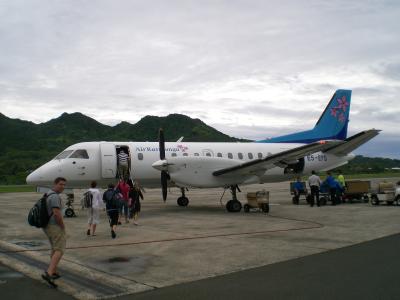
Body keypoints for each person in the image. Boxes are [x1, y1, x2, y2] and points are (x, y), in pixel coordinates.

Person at [41, 177, 67, 286]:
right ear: (55, 184)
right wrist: (62, 226)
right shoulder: (55, 196)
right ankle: (49, 272)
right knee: (59, 249)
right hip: (54, 226)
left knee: (54, 248)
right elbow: (57, 214)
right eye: (60, 184)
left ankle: (54, 271)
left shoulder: (48, 194)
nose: (63, 187)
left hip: (47, 225)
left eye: (64, 185)